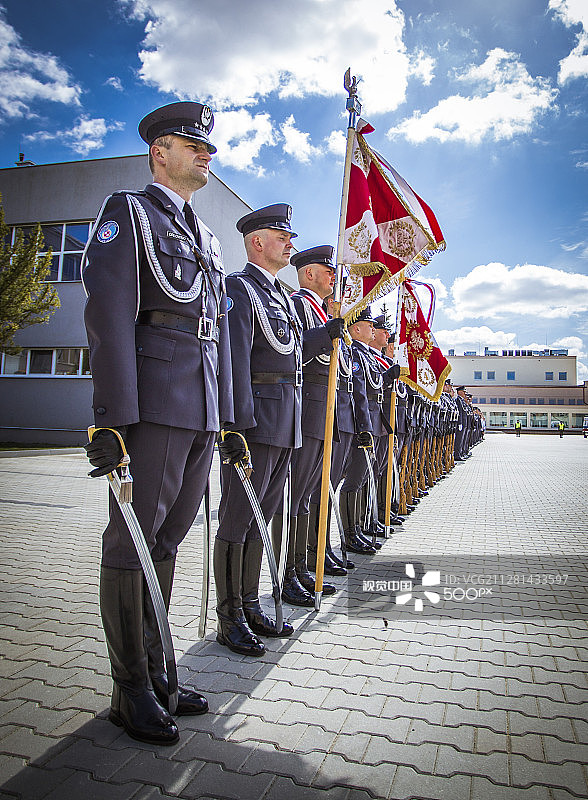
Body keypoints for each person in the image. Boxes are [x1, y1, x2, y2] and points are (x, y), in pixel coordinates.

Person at [82, 102, 233, 745]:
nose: (205, 154)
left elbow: (216, 333)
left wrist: (224, 416)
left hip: (197, 407)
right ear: (158, 151)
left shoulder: (207, 235)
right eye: (191, 144)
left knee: (166, 542)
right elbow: (108, 316)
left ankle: (158, 667)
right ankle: (130, 689)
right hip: (152, 402)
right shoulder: (129, 213)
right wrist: (112, 417)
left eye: (208, 147)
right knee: (134, 541)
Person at [214, 206, 342, 656]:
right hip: (254, 423)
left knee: (261, 521)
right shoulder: (239, 289)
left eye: (290, 237)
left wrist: (328, 333)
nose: (291, 244)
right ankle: (228, 617)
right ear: (256, 243)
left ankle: (249, 605)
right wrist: (233, 427)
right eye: (281, 236)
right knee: (236, 520)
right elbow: (233, 362)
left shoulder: (280, 298)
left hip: (285, 420)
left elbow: (290, 355)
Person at [278, 245, 341, 606]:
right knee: (296, 496)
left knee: (306, 497)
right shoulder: (300, 304)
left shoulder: (319, 309)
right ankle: (288, 573)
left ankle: (301, 567)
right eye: (326, 270)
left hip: (323, 410)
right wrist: (325, 334)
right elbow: (292, 350)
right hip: (308, 409)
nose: (333, 276)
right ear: (308, 274)